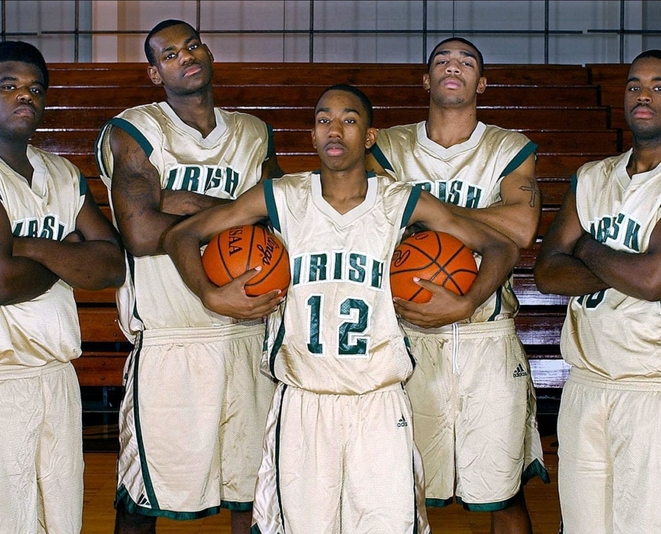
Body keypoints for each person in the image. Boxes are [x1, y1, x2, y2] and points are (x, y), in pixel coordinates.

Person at [162, 84, 520, 534]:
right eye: (323, 120)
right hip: (303, 401)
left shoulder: (399, 201)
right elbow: (180, 236)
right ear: (312, 136)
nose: (335, 129)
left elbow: (500, 246)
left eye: (349, 120)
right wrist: (209, 294)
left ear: (369, 137)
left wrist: (466, 302)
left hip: (379, 401)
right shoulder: (282, 196)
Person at [0, 41, 125, 533]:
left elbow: (113, 264)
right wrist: (70, 252)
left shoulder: (62, 174)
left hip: (54, 379)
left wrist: (28, 248)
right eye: (9, 86)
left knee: (55, 525)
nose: (25, 96)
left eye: (36, 89)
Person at [94, 19, 282, 534]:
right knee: (142, 497)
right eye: (169, 54)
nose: (186, 57)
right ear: (155, 73)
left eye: (192, 45)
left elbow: (282, 217)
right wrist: (237, 211)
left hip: (249, 330)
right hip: (171, 339)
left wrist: (179, 204)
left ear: (208, 52)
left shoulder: (252, 133)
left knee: (256, 495)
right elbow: (139, 230)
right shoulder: (134, 130)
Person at [534, 50, 661, 533]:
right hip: (586, 385)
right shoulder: (591, 177)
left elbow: (655, 281)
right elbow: (548, 273)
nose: (643, 94)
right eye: (635, 84)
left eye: (660, 86)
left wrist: (589, 248)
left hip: (656, 389)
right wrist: (628, 266)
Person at [366, 37, 548, 533]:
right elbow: (372, 222)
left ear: (481, 83)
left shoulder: (509, 148)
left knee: (502, 492)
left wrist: (426, 216)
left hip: (486, 336)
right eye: (442, 61)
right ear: (426, 80)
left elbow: (521, 228)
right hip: (406, 332)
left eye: (467, 62)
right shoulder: (387, 146)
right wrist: (483, 226)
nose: (454, 67)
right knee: (396, 491)